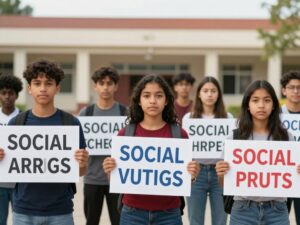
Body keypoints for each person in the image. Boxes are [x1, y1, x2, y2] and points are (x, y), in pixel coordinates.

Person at [103, 74, 200, 225]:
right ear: (139, 101)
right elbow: (116, 180)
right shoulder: (125, 134)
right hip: (132, 213)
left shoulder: (180, 135)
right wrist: (110, 170)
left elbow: (185, 182)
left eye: (159, 96)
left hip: (169, 214)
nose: (153, 101)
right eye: (146, 96)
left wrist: (193, 174)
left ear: (166, 100)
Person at [1, 59, 89, 225]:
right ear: (29, 89)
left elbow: (80, 171)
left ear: (57, 88)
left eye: (48, 83)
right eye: (37, 83)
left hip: (60, 211)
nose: (42, 88)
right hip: (23, 211)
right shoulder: (16, 124)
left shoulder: (71, 123)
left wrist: (83, 162)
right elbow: (8, 168)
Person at [216, 80, 299, 225]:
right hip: (242, 210)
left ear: (274, 105)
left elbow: (293, 179)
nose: (261, 105)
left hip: (277, 211)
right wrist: (221, 173)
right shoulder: (234, 137)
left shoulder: (287, 137)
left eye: (267, 100)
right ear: (247, 105)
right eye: (255, 100)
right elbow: (225, 184)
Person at [79, 67, 127, 225]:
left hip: (118, 179)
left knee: (119, 221)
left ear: (116, 86)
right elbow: (79, 145)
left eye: (109, 83)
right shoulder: (87, 113)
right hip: (92, 178)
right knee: (91, 221)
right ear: (95, 86)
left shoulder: (124, 112)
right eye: (101, 83)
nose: (105, 87)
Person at [184, 76, 232, 225]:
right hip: (196, 174)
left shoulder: (228, 118)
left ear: (218, 94)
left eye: (213, 91)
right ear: (199, 94)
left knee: (220, 220)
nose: (209, 94)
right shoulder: (189, 118)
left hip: (221, 174)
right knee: (195, 220)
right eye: (205, 91)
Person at [0, 74, 23, 225]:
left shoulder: (25, 118)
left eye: (11, 93)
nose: (7, 96)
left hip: (19, 183)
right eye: (3, 93)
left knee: (21, 221)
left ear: (16, 95)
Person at [281, 70, 300, 225]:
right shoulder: (275, 115)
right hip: (281, 177)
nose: (296, 91)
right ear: (284, 90)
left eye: (299, 87)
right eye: (292, 87)